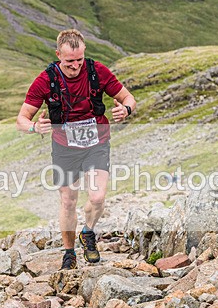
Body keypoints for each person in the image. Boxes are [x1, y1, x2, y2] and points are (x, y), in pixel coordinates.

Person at [16, 29, 136, 270]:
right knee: (68, 201)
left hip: (97, 142)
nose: (75, 66)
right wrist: (35, 128)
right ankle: (69, 253)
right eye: (70, 61)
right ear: (58, 54)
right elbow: (21, 119)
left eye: (80, 60)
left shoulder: (97, 71)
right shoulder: (45, 80)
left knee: (97, 197)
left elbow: (128, 98)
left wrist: (127, 110)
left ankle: (88, 232)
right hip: (64, 148)